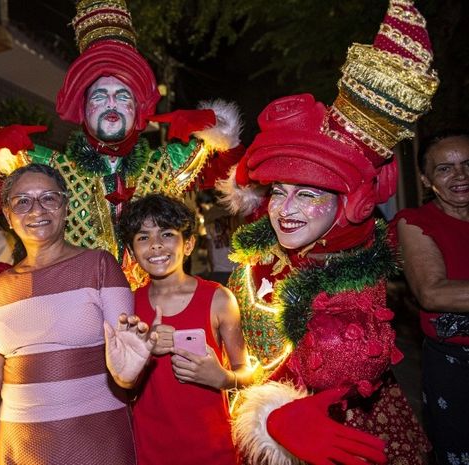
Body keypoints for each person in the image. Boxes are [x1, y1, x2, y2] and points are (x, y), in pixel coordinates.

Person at [219, 1, 439, 464]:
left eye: (307, 193)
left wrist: (277, 414)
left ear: (349, 204)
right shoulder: (273, 246)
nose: (285, 209)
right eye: (280, 191)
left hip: (344, 433)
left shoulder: (351, 272)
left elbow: (350, 355)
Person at [0, 162, 156, 465]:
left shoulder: (99, 266)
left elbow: (125, 368)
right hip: (21, 446)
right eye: (22, 202)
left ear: (65, 206)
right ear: (7, 216)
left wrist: (127, 377)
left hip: (95, 440)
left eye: (49, 198)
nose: (37, 210)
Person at [0, 0, 243, 278]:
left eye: (122, 97)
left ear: (138, 110)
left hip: (154, 310)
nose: (112, 104)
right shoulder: (49, 170)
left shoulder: (166, 164)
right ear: (83, 109)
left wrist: (220, 131)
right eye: (100, 96)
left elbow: (238, 174)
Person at [118, 193, 251, 465]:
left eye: (166, 234)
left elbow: (249, 372)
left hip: (215, 450)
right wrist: (142, 356)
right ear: (131, 253)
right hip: (150, 451)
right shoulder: (126, 305)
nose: (155, 246)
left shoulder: (219, 299)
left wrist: (224, 378)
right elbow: (121, 386)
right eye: (143, 237)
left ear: (188, 244)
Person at [393, 132, 469, 465]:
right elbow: (432, 293)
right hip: (457, 369)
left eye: (468, 165)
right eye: (445, 169)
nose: (461, 176)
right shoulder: (416, 223)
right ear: (426, 179)